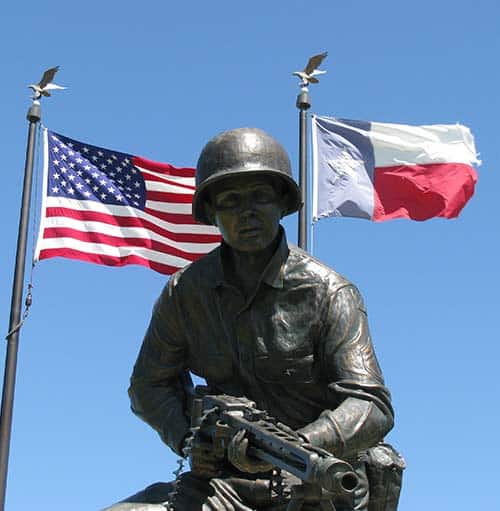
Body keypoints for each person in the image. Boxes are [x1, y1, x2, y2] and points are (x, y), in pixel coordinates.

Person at [127, 128, 397, 511]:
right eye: (230, 200)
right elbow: (148, 386)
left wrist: (299, 446)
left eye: (260, 196)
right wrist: (189, 438)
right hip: (223, 486)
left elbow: (371, 405)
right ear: (212, 213)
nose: (247, 211)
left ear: (282, 203)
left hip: (317, 483)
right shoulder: (185, 293)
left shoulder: (330, 292)